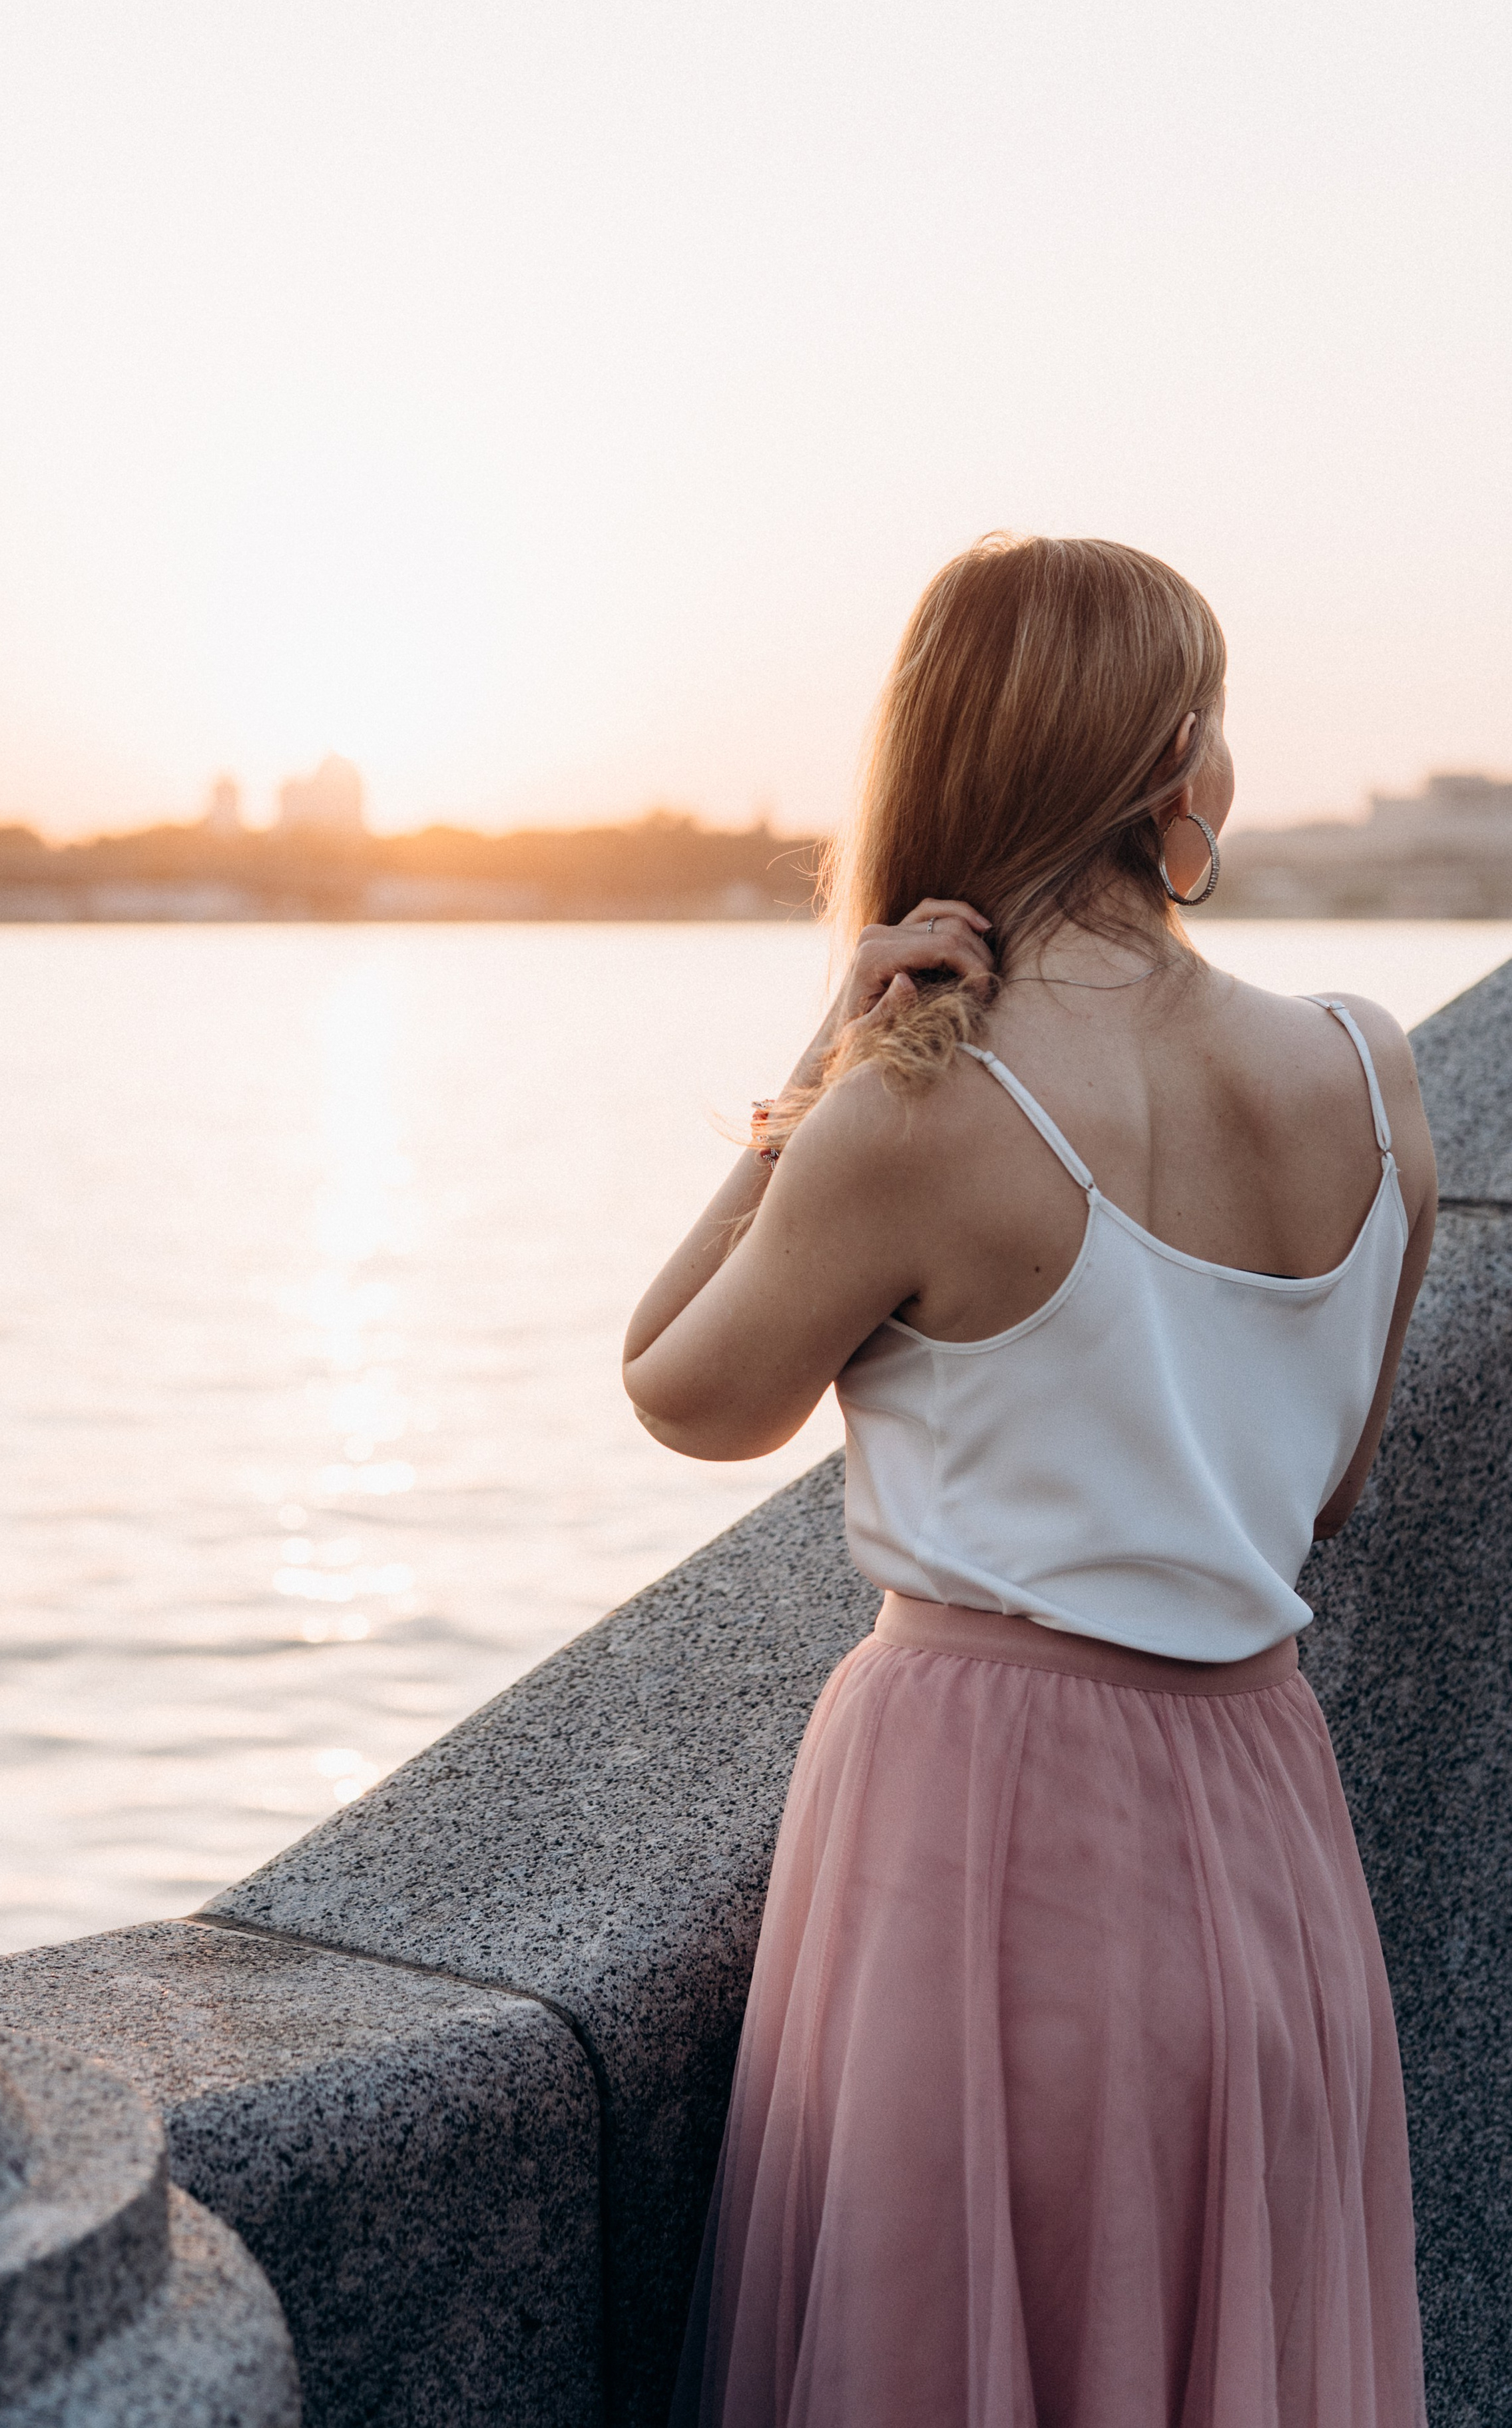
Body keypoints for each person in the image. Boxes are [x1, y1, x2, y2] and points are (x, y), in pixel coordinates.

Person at [624, 534, 1433, 2428]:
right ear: (1170, 765)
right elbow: (1325, 1487)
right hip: (1265, 1820)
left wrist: (829, 1056)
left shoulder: (915, 1107)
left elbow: (683, 1393)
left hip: (979, 1839)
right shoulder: (1369, 1070)